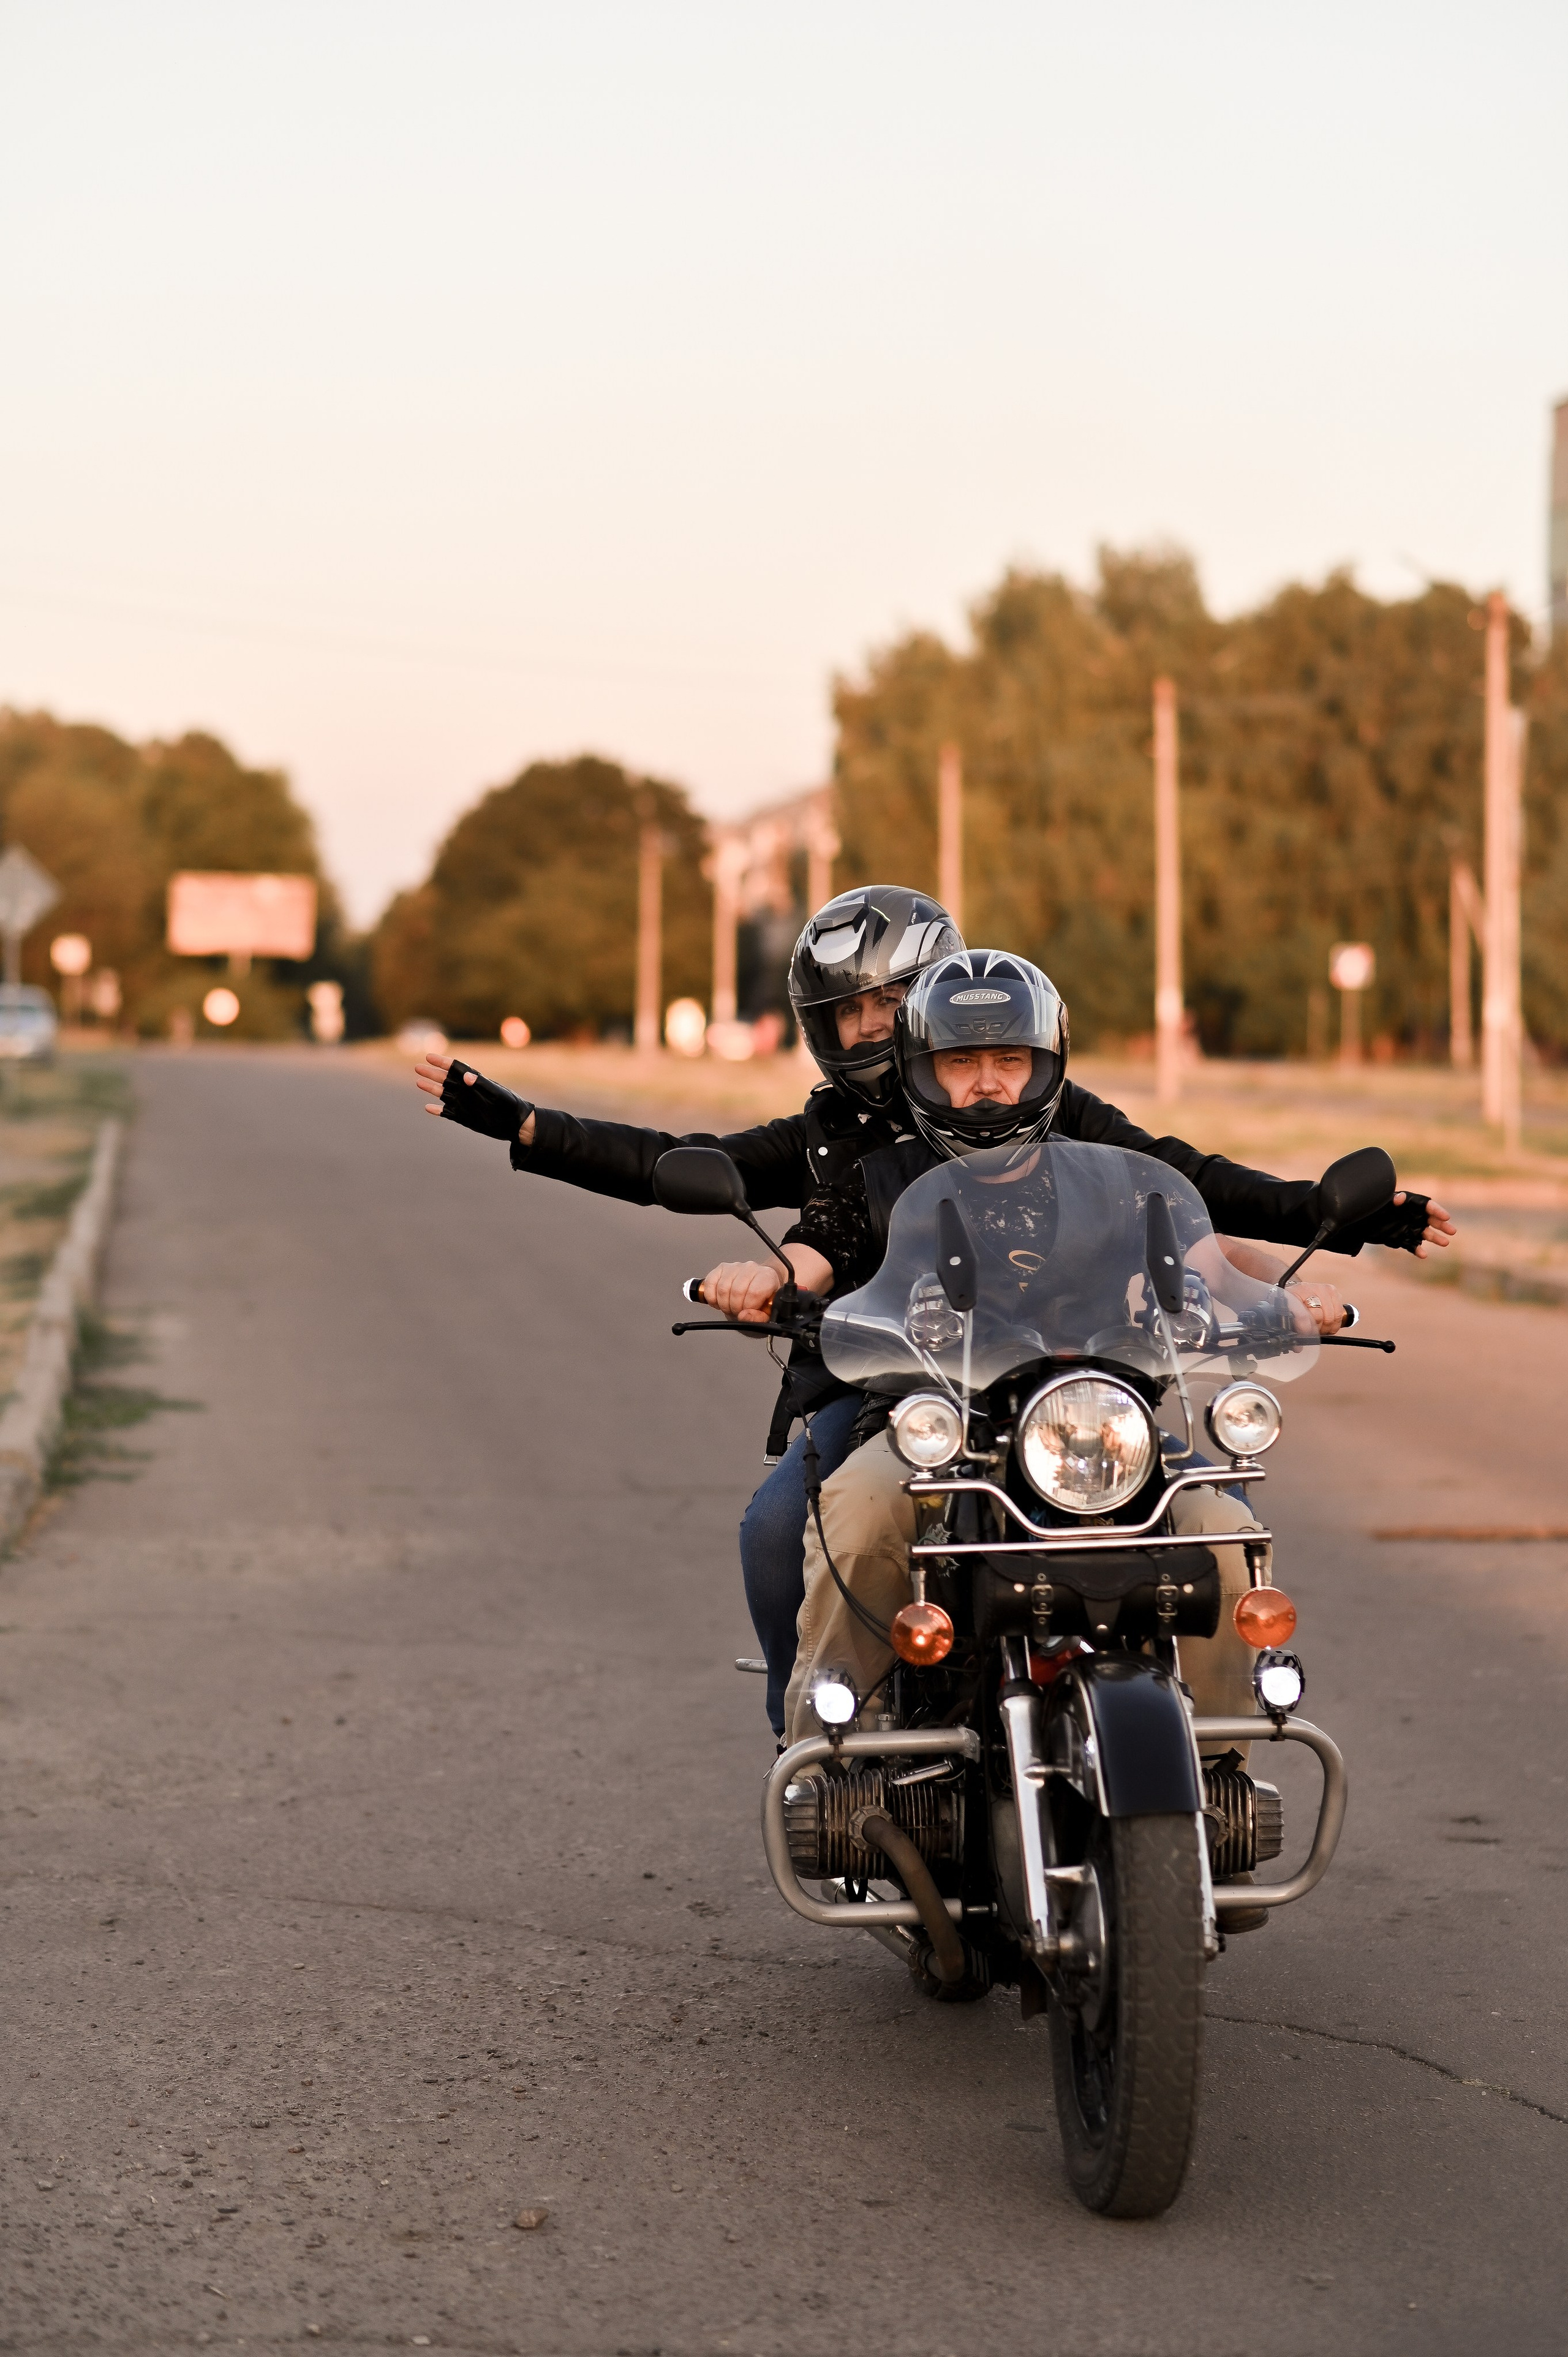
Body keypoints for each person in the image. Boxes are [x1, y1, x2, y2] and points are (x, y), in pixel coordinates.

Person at [692, 949, 1458, 1752]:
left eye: (1009, 1060)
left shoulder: (1113, 1177)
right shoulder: (879, 1180)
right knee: (854, 1512)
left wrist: (1287, 1304)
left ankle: (1215, 1761)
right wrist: (760, 1283)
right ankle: (830, 1750)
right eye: (961, 1061)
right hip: (934, 1434)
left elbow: (1213, 1259)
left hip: (1096, 1430)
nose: (987, 1082)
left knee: (1222, 1530)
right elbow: (806, 1258)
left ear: (1045, 1066)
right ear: (922, 1070)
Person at [414, 886, 965, 1735]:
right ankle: (814, 1735)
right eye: (848, 1010)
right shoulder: (826, 1134)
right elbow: (674, 1162)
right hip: (882, 1380)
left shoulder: (1017, 1097)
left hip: (1029, 1373)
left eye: (890, 1001)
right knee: (780, 1528)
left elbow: (1163, 1182)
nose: (870, 1027)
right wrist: (527, 1126)